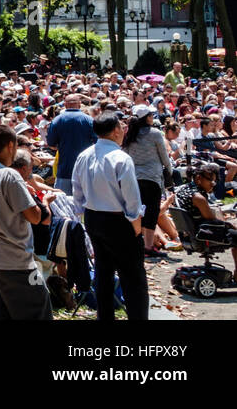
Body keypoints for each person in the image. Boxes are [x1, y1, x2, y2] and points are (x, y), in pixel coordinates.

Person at [0, 126, 51, 320]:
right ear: (11, 146)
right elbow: (35, 217)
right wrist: (33, 197)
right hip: (13, 259)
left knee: (2, 314)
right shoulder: (9, 175)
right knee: (39, 310)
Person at [72, 111, 149, 321]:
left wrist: (81, 213)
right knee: (133, 276)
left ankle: (104, 317)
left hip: (93, 217)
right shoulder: (121, 158)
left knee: (103, 272)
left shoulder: (84, 155)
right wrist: (136, 224)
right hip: (118, 220)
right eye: (121, 127)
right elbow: (132, 197)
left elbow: (77, 190)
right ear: (116, 130)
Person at [123, 104, 172, 257]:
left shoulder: (130, 134)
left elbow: (125, 153)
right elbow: (164, 156)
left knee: (137, 211)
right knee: (151, 212)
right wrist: (169, 171)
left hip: (134, 177)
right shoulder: (155, 133)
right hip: (152, 178)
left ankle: (137, 243)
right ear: (147, 118)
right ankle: (148, 246)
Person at [46, 94, 96, 195]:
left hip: (65, 170)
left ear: (65, 105)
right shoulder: (89, 120)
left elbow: (51, 143)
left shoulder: (57, 120)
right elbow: (97, 142)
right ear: (79, 104)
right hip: (85, 169)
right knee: (86, 201)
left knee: (64, 201)